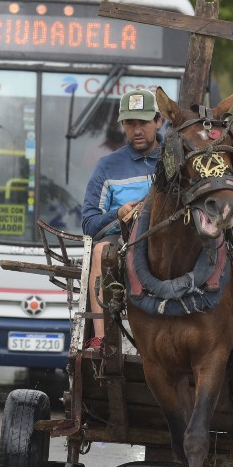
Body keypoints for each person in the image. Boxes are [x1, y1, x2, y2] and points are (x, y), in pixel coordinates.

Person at [80, 88, 164, 350]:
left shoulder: (175, 160)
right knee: (101, 251)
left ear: (158, 121)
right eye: (130, 123)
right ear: (123, 126)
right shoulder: (107, 166)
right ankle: (102, 338)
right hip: (125, 240)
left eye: (143, 123)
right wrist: (118, 214)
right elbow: (89, 223)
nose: (137, 130)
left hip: (168, 239)